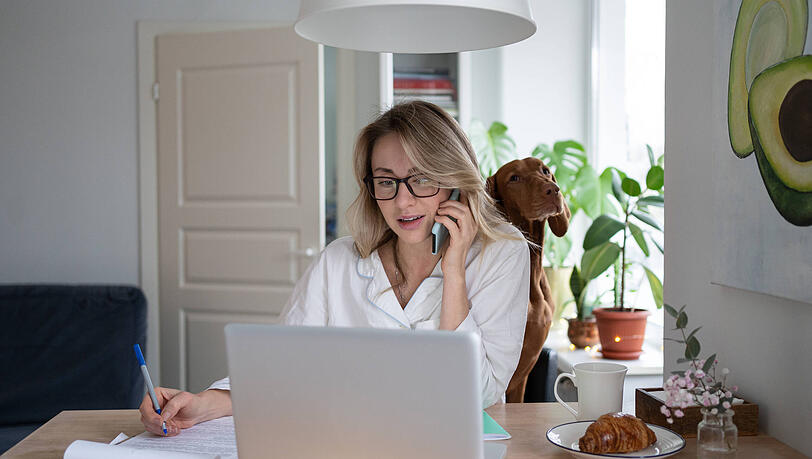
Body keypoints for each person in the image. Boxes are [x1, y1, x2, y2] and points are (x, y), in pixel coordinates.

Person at [140, 101, 531, 436]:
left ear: (456, 183)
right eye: (386, 182)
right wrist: (205, 403)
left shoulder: (503, 255)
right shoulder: (339, 260)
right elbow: (279, 368)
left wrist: (455, 273)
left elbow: (476, 393)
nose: (403, 201)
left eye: (422, 179)